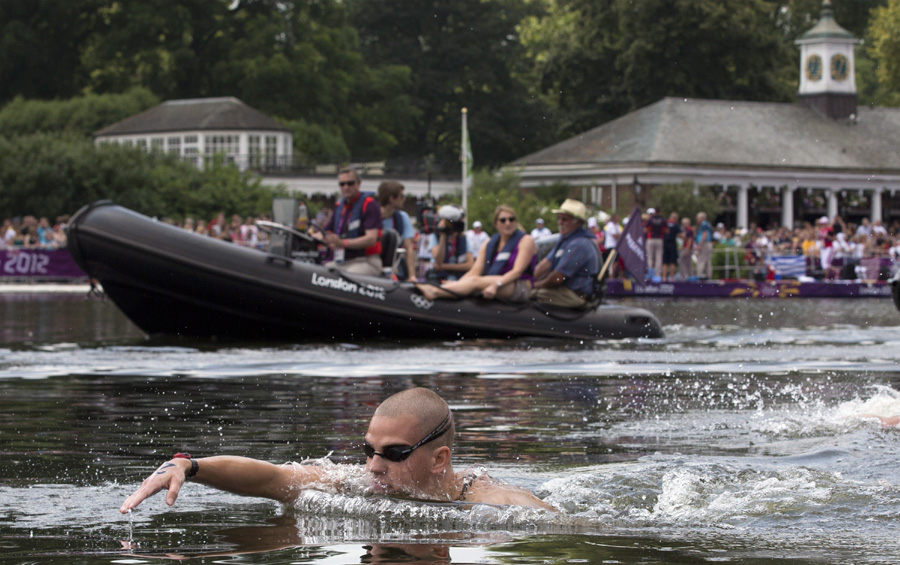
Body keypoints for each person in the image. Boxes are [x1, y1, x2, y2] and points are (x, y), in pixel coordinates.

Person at [119, 388, 557, 513]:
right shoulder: (355, 483)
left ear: (439, 459)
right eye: (369, 450)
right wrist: (190, 465)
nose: (374, 467)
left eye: (394, 453)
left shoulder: (495, 504)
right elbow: (273, 477)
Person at [417, 205, 536, 302]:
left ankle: (435, 292)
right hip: (494, 281)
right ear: (496, 223)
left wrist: (496, 285)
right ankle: (441, 289)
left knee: (475, 282)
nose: (508, 223)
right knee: (473, 279)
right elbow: (475, 271)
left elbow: (517, 271)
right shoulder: (489, 243)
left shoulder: (525, 240)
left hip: (518, 284)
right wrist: (459, 283)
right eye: (503, 220)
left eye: (511, 219)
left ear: (516, 221)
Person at [531, 199, 600, 309]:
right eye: (559, 218)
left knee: (528, 295)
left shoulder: (580, 244)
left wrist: (534, 285)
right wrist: (529, 278)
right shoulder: (565, 239)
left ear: (578, 222)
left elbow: (557, 278)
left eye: (564, 219)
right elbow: (546, 263)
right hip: (563, 290)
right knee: (526, 291)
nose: (560, 222)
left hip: (574, 295)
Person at [321, 167, 382, 276]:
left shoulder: (369, 204)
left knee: (348, 277)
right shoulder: (339, 206)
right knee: (322, 272)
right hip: (343, 261)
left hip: (366, 261)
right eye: (342, 184)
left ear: (358, 184)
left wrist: (342, 243)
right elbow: (325, 232)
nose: (346, 187)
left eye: (350, 183)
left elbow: (371, 239)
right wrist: (316, 235)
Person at [378, 180, 417, 281]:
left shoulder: (402, 217)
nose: (404, 199)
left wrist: (412, 276)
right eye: (401, 196)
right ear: (391, 198)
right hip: (375, 263)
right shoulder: (372, 216)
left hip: (394, 265)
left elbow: (409, 248)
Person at [425, 205, 473, 282]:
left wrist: (444, 266)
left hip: (458, 280)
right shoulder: (435, 236)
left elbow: (469, 265)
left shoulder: (463, 239)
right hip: (438, 279)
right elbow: (439, 260)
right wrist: (442, 235)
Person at [644, 208, 667, 277]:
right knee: (659, 257)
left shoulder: (650, 220)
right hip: (659, 239)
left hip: (650, 239)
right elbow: (666, 230)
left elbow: (645, 230)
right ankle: (657, 274)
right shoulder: (662, 220)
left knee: (649, 257)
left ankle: (650, 273)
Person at [694, 211, 714, 279]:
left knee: (701, 260)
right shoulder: (707, 224)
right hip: (708, 243)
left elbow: (704, 235)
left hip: (705, 244)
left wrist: (700, 245)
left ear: (702, 218)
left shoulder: (704, 224)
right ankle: (709, 276)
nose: (697, 220)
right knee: (707, 261)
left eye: (698, 218)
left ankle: (699, 275)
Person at [662, 212, 681, 281]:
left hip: (665, 244)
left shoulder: (665, 223)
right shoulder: (676, 225)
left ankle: (664, 277)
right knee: (672, 261)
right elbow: (679, 234)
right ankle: (671, 277)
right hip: (672, 244)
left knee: (665, 262)